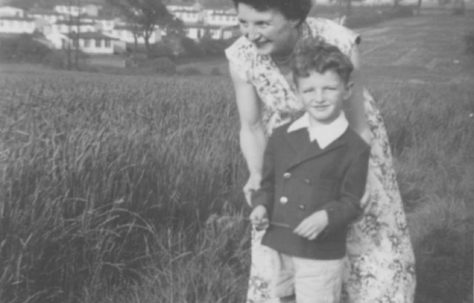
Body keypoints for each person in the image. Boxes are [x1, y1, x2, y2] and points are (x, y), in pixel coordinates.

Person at [225, 0, 416, 302]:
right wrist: (258, 174)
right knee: (289, 241)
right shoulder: (241, 56)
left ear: (294, 17)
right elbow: (251, 127)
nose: (250, 34)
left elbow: (358, 120)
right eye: (243, 23)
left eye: (262, 23)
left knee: (365, 230)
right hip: (291, 155)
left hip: (348, 144)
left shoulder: (338, 41)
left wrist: (363, 177)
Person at [249, 40, 370, 303]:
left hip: (320, 249)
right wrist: (260, 207)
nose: (319, 98)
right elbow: (268, 184)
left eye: (329, 88)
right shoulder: (281, 136)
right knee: (285, 298)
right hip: (281, 240)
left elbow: (352, 202)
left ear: (347, 90)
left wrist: (327, 216)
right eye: (309, 90)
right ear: (297, 92)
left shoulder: (354, 147)